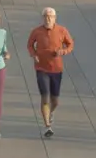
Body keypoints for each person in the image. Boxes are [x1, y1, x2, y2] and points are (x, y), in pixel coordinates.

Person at [26, 7, 75, 138]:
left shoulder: (62, 30)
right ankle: (47, 125)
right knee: (45, 96)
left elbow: (70, 44)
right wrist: (34, 55)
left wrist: (63, 51)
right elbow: (30, 45)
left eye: (50, 17)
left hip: (56, 69)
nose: (48, 19)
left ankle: (51, 112)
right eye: (46, 16)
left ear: (54, 18)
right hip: (41, 68)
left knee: (55, 100)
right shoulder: (37, 31)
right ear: (43, 18)